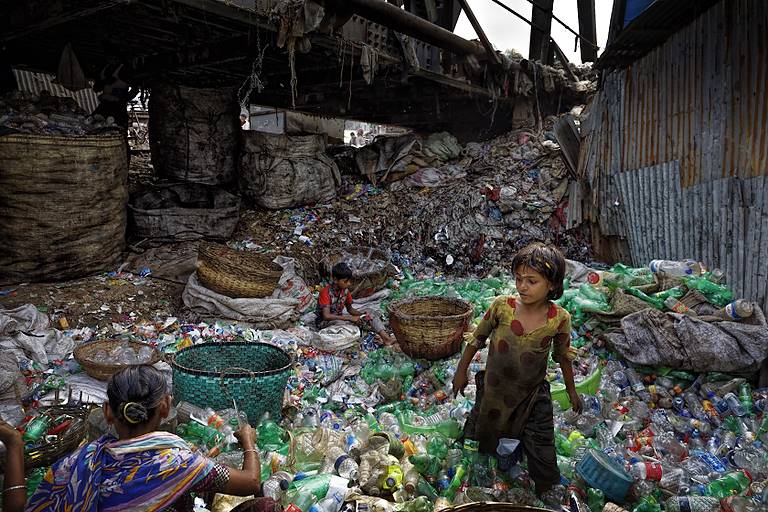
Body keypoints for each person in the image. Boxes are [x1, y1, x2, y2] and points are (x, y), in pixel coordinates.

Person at [0, 365, 265, 512]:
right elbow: (251, 483)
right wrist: (248, 442)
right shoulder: (179, 463)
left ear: (107, 413)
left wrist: (14, 443)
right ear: (165, 407)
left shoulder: (82, 461)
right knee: (264, 507)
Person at [452, 242, 582, 497]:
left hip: (531, 393)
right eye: (519, 279)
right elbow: (476, 339)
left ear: (552, 285)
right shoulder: (502, 306)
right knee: (481, 432)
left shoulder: (559, 319)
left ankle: (545, 490)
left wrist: (571, 391)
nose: (522, 286)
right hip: (494, 388)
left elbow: (563, 357)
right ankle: (476, 475)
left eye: (531, 281)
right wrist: (461, 371)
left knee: (542, 442)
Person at [316, 262, 394, 346]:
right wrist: (349, 318)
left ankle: (386, 338)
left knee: (370, 312)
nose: (349, 284)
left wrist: (362, 314)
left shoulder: (345, 291)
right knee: (343, 325)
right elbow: (326, 316)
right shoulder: (325, 292)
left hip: (340, 317)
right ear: (335, 280)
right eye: (345, 281)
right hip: (325, 322)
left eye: (349, 281)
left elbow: (350, 309)